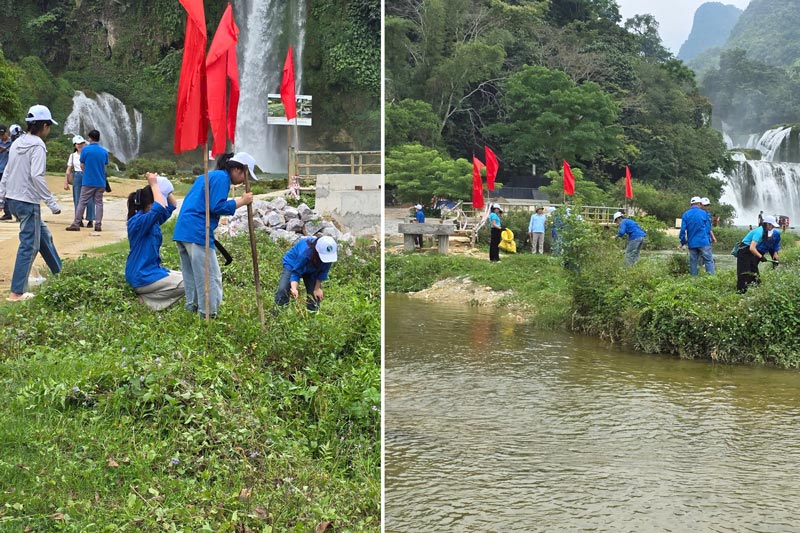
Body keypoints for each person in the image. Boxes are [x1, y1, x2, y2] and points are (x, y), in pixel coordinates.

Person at [173, 152, 255, 318]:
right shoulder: (222, 178)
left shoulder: (210, 176)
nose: (243, 181)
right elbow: (217, 206)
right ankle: (208, 315)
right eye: (246, 175)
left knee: (192, 275)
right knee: (210, 277)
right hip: (198, 232)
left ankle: (193, 308)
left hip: (184, 230)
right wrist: (242, 201)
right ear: (238, 170)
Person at [0, 105, 62, 302]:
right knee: (29, 245)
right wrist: (52, 203)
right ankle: (16, 292)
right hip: (28, 200)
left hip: (14, 199)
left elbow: (7, 172)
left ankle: (62, 275)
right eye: (49, 126)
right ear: (44, 125)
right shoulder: (38, 145)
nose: (49, 130)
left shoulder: (17, 143)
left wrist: (2, 198)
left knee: (43, 237)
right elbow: (37, 175)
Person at [125, 172, 184, 311]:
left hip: (152, 271)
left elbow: (172, 204)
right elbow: (159, 207)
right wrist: (153, 184)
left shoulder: (152, 219)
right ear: (149, 204)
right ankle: (148, 301)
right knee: (188, 283)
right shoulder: (139, 221)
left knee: (187, 276)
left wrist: (163, 186)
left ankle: (149, 295)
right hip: (142, 275)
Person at [274, 235, 338, 311]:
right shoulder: (305, 253)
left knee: (315, 296)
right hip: (293, 264)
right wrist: (294, 289)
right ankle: (279, 314)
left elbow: (323, 272)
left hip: (312, 270)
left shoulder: (329, 253)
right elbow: (296, 272)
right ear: (317, 251)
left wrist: (317, 288)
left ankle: (312, 317)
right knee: (283, 290)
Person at [66, 129, 108, 232]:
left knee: (82, 202)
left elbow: (82, 165)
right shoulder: (104, 151)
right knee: (99, 203)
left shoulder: (86, 150)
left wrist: (87, 172)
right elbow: (105, 167)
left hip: (88, 181)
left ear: (90, 138)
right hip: (100, 182)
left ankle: (76, 223)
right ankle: (98, 224)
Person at [735, 216, 778, 293]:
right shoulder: (759, 232)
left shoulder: (764, 231)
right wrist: (761, 257)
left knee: (754, 270)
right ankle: (740, 292)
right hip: (744, 251)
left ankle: (757, 289)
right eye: (772, 225)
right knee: (744, 272)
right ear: (767, 224)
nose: (773, 227)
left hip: (749, 252)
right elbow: (752, 248)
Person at [64, 135, 95, 228]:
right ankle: (79, 219)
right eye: (78, 144)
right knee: (77, 198)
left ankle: (90, 219)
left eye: (81, 143)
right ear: (74, 145)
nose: (80, 145)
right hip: (77, 176)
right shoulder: (72, 156)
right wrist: (66, 182)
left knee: (90, 198)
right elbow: (68, 169)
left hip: (87, 176)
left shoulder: (88, 153)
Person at [679, 196, 715, 275]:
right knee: (708, 261)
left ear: (691, 204)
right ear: (699, 204)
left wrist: (683, 241)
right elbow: (708, 228)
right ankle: (711, 279)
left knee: (693, 262)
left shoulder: (686, 214)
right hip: (703, 241)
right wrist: (708, 238)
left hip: (692, 242)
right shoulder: (704, 213)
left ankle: (694, 280)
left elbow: (682, 230)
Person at [0, 125, 13, 221]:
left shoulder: (12, 143)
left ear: (6, 132)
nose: (1, 137)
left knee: (6, 192)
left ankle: (8, 212)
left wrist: (7, 150)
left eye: (3, 134)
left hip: (6, 170)